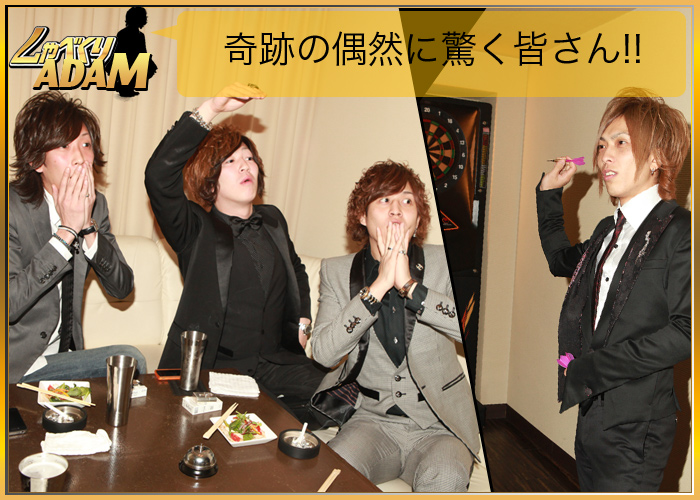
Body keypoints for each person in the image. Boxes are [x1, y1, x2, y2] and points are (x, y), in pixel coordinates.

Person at [537, 93, 691, 491]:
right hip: (591, 413)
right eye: (602, 144)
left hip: (637, 426)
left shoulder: (680, 231)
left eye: (621, 142)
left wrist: (591, 368)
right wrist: (549, 194)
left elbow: (686, 332)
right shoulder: (608, 230)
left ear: (657, 157)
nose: (605, 155)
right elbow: (559, 260)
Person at [145, 83, 325, 422]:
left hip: (275, 363)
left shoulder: (273, 219)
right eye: (231, 161)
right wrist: (211, 108)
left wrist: (303, 319)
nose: (246, 166)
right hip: (214, 367)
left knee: (341, 395)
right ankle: (268, 417)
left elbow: (297, 269)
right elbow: (158, 176)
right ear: (210, 179)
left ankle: (275, 416)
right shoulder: (195, 229)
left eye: (249, 158)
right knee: (237, 426)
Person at [310, 161, 481, 492]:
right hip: (371, 422)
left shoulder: (447, 262)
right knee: (330, 476)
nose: (396, 209)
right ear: (362, 215)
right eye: (384, 199)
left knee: (446, 478)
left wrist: (410, 287)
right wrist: (376, 289)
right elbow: (324, 353)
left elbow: (470, 330)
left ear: (417, 219)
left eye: (407, 200)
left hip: (441, 425)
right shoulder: (336, 271)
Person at [9, 91, 146, 384]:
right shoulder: (10, 207)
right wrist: (66, 233)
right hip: (18, 363)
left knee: (130, 363)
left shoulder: (97, 205)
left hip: (63, 357)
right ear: (36, 160)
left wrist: (87, 228)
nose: (80, 158)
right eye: (63, 146)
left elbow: (122, 287)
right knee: (130, 356)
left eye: (85, 144)